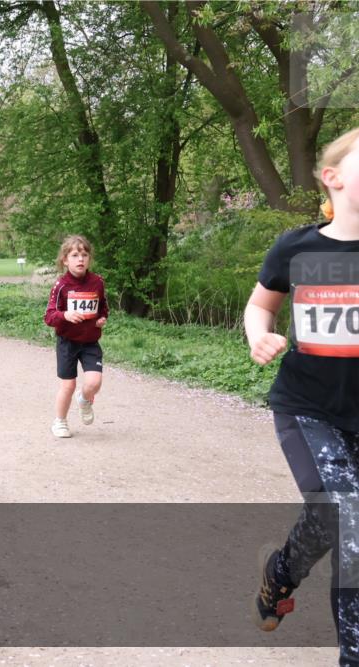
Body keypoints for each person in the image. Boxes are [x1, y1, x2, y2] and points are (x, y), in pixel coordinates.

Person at [244, 127, 359, 663]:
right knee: (348, 515)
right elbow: (260, 305)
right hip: (309, 409)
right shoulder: (297, 246)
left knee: (337, 518)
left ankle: (281, 574)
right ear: (332, 179)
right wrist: (258, 334)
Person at [43, 235, 109, 438]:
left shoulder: (97, 282)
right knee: (68, 385)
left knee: (94, 383)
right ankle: (60, 421)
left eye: (84, 254)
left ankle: (84, 399)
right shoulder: (61, 285)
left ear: (89, 258)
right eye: (74, 255)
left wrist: (102, 319)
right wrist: (65, 315)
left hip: (90, 342)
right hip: (67, 343)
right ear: (65, 260)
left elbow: (103, 309)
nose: (80, 259)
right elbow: (49, 316)